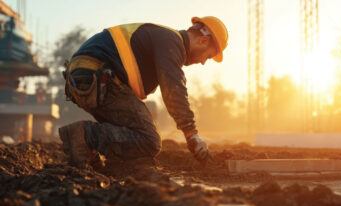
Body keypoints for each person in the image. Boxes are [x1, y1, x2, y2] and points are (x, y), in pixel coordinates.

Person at [59, 16, 228, 168]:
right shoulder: (172, 41)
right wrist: (191, 134)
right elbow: (173, 87)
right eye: (208, 56)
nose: (204, 62)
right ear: (203, 41)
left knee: (129, 133)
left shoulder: (164, 39)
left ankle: (103, 157)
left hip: (84, 76)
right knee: (149, 140)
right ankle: (84, 136)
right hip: (98, 76)